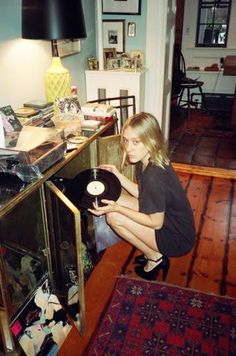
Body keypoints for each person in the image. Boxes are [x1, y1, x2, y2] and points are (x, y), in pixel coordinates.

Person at [88, 112, 196, 281]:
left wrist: (118, 209)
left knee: (114, 217)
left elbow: (155, 222)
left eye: (135, 142)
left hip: (176, 237)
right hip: (170, 220)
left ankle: (154, 257)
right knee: (117, 199)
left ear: (151, 140)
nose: (128, 148)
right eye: (125, 140)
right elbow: (145, 195)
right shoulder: (147, 160)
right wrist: (117, 175)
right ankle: (153, 253)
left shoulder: (154, 176)